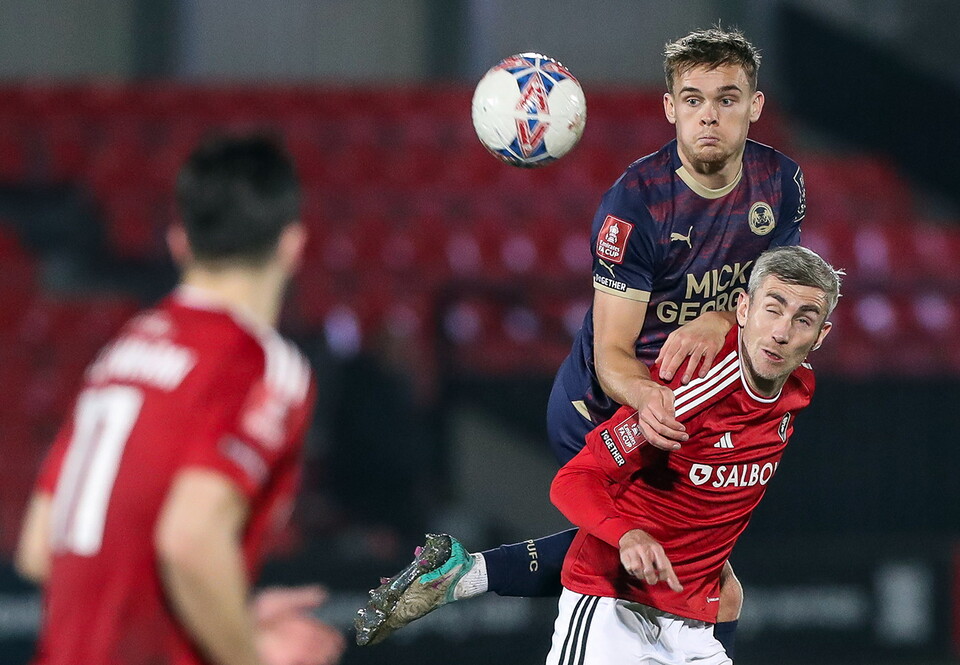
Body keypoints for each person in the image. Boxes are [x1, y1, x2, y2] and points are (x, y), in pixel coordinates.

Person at [356, 25, 807, 658]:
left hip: (694, 396)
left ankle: (465, 575)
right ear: (670, 108)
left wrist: (719, 324)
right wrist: (652, 400)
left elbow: (771, 294)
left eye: (727, 99)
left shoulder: (780, 184)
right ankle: (479, 580)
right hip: (607, 399)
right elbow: (613, 353)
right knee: (683, 563)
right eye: (694, 99)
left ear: (755, 107)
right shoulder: (637, 207)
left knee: (708, 577)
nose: (710, 115)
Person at [14, 134, 346, 665]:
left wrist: (227, 614)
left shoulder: (123, 351)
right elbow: (190, 540)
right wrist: (249, 655)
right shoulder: (262, 366)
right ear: (293, 244)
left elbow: (39, 547)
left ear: (178, 241)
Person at [545, 245, 840, 664]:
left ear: (820, 335)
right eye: (772, 310)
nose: (782, 332)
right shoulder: (690, 389)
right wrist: (626, 535)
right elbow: (573, 480)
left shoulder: (799, 388)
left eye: (802, 321)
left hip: (692, 625)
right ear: (743, 309)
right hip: (614, 607)